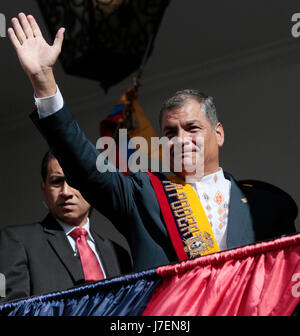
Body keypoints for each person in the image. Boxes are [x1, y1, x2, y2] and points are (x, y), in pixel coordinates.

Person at [7, 13, 298, 272]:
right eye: (170, 133)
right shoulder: (142, 195)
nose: (181, 139)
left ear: (218, 133)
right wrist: (44, 82)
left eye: (192, 127)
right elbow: (86, 168)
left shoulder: (267, 204)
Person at [0, 151, 132, 303]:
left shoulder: (118, 254)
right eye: (56, 181)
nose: (66, 192)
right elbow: (11, 308)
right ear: (44, 190)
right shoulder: (17, 241)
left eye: (75, 180)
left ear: (93, 186)